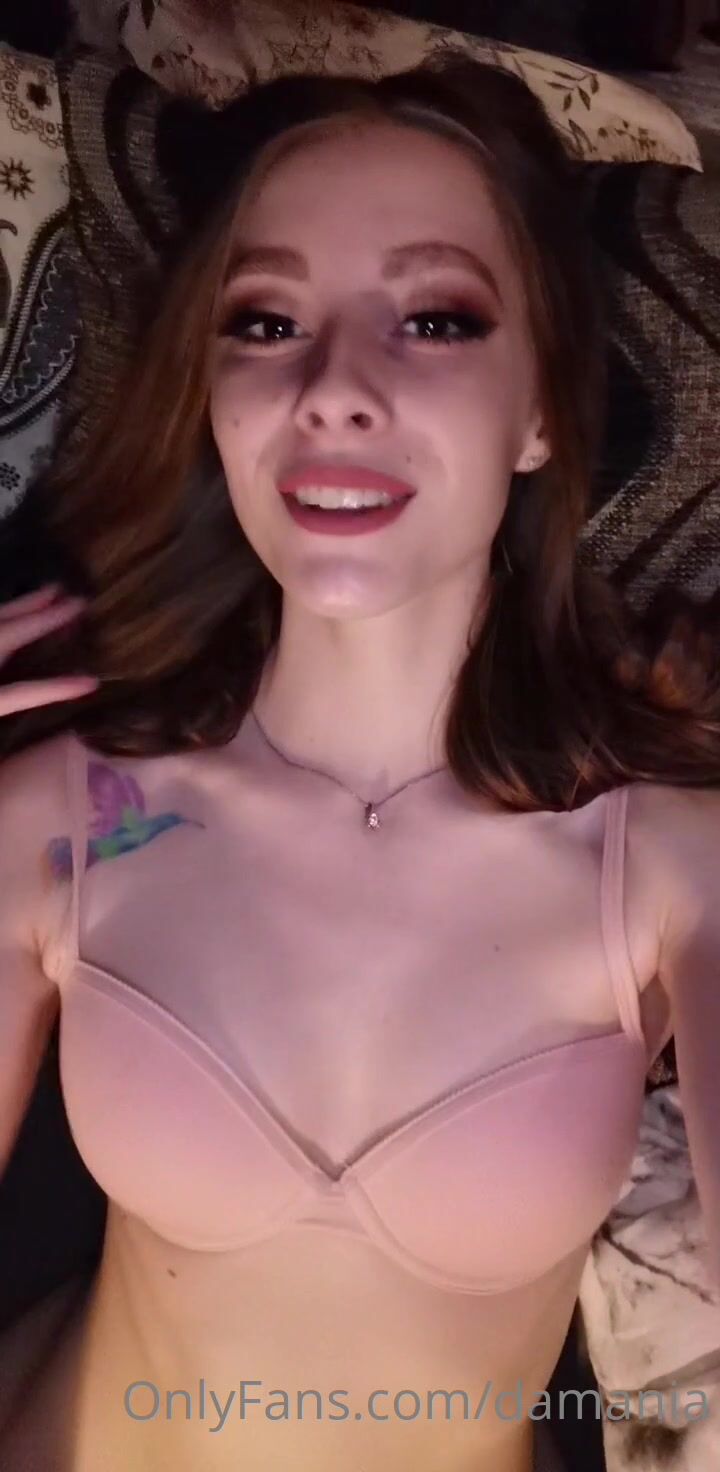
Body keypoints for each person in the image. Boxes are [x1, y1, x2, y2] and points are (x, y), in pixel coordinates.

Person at [0, 55, 718, 1472]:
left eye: (436, 320)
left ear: (542, 411)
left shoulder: (667, 867)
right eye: (266, 323)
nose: (333, 388)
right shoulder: (70, 819)